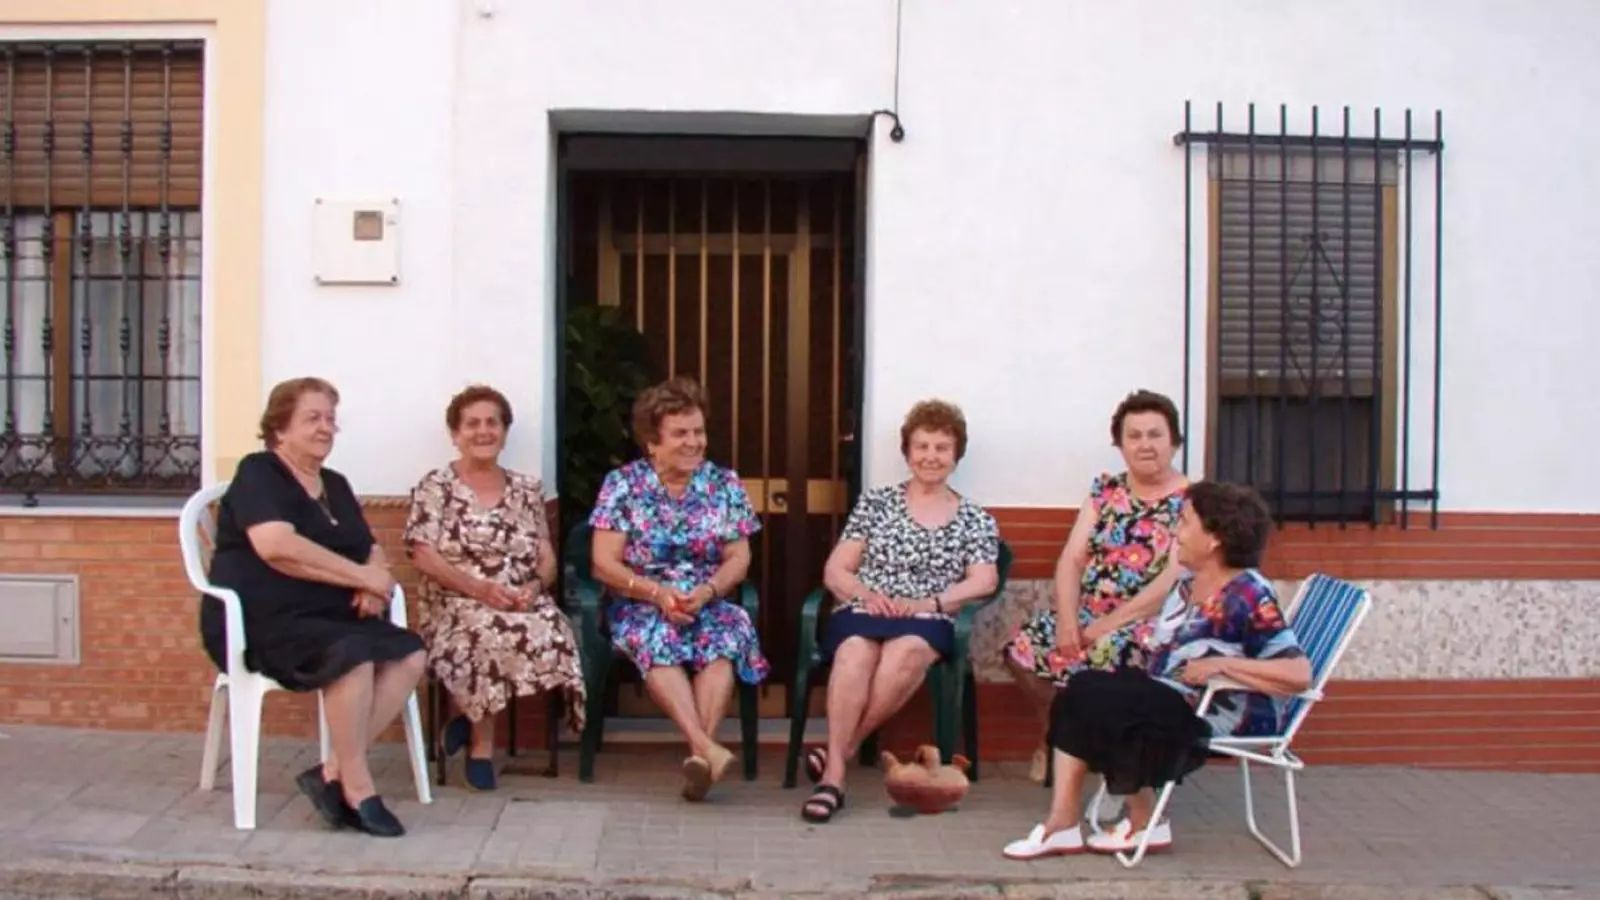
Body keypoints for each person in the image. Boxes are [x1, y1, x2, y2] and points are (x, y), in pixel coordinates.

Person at [1002, 481, 1310, 859]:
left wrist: (1220, 663)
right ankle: (1064, 824)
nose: (1175, 532)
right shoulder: (1187, 582)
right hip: (1173, 694)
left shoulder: (1248, 594)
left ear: (1213, 538)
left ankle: (1143, 821)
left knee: (1106, 702)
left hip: (1220, 710)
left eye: (1184, 523)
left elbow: (1298, 674)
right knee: (1080, 689)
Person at [198, 377, 425, 837]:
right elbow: (277, 546)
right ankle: (358, 789)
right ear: (279, 429)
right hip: (263, 621)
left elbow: (369, 547)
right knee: (354, 657)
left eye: (330, 419)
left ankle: (331, 772)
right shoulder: (259, 472)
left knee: (410, 652)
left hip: (329, 616)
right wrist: (362, 578)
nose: (326, 428)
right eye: (312, 418)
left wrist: (374, 580)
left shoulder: (334, 484)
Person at [799, 399, 1000, 823]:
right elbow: (836, 568)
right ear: (907, 452)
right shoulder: (876, 503)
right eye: (922, 446)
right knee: (855, 651)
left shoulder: (974, 518)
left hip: (927, 617)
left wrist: (931, 603)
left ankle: (836, 761)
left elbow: (984, 580)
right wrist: (867, 595)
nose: (931, 456)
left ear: (955, 455)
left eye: (941, 447)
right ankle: (838, 769)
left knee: (905, 652)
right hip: (866, 608)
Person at [587, 377, 768, 801]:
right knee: (658, 637)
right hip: (642, 600)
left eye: (698, 432)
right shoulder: (623, 485)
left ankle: (701, 761)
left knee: (725, 638)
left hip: (707, 596)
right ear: (652, 441)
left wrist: (706, 592)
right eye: (680, 433)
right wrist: (656, 594)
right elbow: (603, 562)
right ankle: (705, 748)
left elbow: (739, 558)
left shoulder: (723, 484)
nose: (693, 442)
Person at [404, 384, 586, 791]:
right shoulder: (435, 487)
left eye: (493, 423)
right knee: (486, 630)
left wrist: (535, 588)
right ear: (455, 433)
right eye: (472, 424)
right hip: (454, 602)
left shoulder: (526, 489)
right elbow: (423, 556)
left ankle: (463, 722)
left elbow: (546, 556)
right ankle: (482, 745)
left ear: (505, 432)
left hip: (518, 599)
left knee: (554, 631)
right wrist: (479, 589)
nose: (483, 431)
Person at [1003, 390, 1188, 780]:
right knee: (1024, 648)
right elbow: (1071, 559)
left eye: (1155, 435)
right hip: (1088, 613)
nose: (1145, 445)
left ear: (1174, 441)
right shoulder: (1106, 490)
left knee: (1104, 655)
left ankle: (1104, 761)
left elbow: (1171, 580)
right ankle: (1056, 733)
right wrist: (1070, 620)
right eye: (1133, 436)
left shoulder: (1192, 500)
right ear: (1119, 445)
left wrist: (1100, 628)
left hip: (1148, 623)